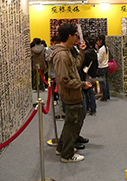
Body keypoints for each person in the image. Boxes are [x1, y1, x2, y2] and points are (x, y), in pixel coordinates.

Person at [51, 23, 92, 163]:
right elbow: (64, 79)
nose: (77, 37)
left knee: (70, 122)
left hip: (72, 93)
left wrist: (81, 52)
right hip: (70, 94)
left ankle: (62, 148)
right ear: (69, 36)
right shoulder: (62, 55)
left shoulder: (67, 51)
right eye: (75, 35)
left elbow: (75, 66)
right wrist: (81, 84)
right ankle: (67, 155)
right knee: (74, 122)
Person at [80, 38, 98, 116]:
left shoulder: (85, 54)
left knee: (86, 93)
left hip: (86, 75)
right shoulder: (94, 52)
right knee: (91, 93)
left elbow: (82, 65)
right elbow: (96, 64)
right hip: (92, 75)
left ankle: (87, 109)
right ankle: (93, 110)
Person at [45, 35, 61, 104]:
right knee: (53, 87)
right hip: (52, 71)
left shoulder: (61, 49)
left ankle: (60, 98)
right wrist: (52, 56)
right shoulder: (49, 50)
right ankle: (54, 99)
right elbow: (47, 59)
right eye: (55, 42)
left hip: (60, 71)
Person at [95, 35, 110, 102]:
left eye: (98, 40)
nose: (97, 42)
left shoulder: (101, 49)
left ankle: (104, 97)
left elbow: (99, 60)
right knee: (106, 82)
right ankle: (107, 95)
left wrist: (97, 52)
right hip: (106, 66)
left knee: (103, 83)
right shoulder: (106, 47)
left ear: (101, 40)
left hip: (102, 67)